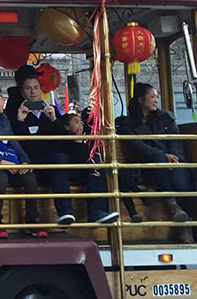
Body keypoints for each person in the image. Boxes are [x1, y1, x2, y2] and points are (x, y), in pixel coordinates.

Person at [11, 74, 119, 225]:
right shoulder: (16, 115)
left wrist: (53, 119)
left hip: (62, 162)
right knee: (59, 159)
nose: (33, 92)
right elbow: (19, 144)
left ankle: (97, 211)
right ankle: (65, 212)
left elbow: (63, 139)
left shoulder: (51, 110)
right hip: (37, 165)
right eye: (28, 88)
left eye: (36, 88)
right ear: (22, 92)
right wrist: (20, 120)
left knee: (93, 159)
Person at [118, 83, 195, 243]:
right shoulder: (128, 124)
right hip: (146, 166)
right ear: (141, 99)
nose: (155, 100)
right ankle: (171, 205)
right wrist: (162, 155)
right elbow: (138, 146)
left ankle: (185, 225)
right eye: (152, 97)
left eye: (157, 97)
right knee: (158, 159)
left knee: (183, 185)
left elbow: (176, 140)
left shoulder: (165, 117)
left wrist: (174, 157)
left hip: (172, 162)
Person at [0, 87, 45, 239]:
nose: (3, 101)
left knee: (29, 176)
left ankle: (32, 221)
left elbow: (15, 144)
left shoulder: (5, 122)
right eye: (0, 97)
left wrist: (24, 162)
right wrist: (1, 162)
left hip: (12, 163)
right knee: (0, 178)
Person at [62, 113, 143, 223]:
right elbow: (79, 159)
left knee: (113, 173)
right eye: (76, 122)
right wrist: (78, 142)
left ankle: (132, 212)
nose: (80, 125)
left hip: (90, 171)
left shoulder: (87, 139)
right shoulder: (64, 140)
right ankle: (136, 196)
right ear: (67, 126)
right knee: (102, 172)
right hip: (76, 172)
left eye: (81, 122)